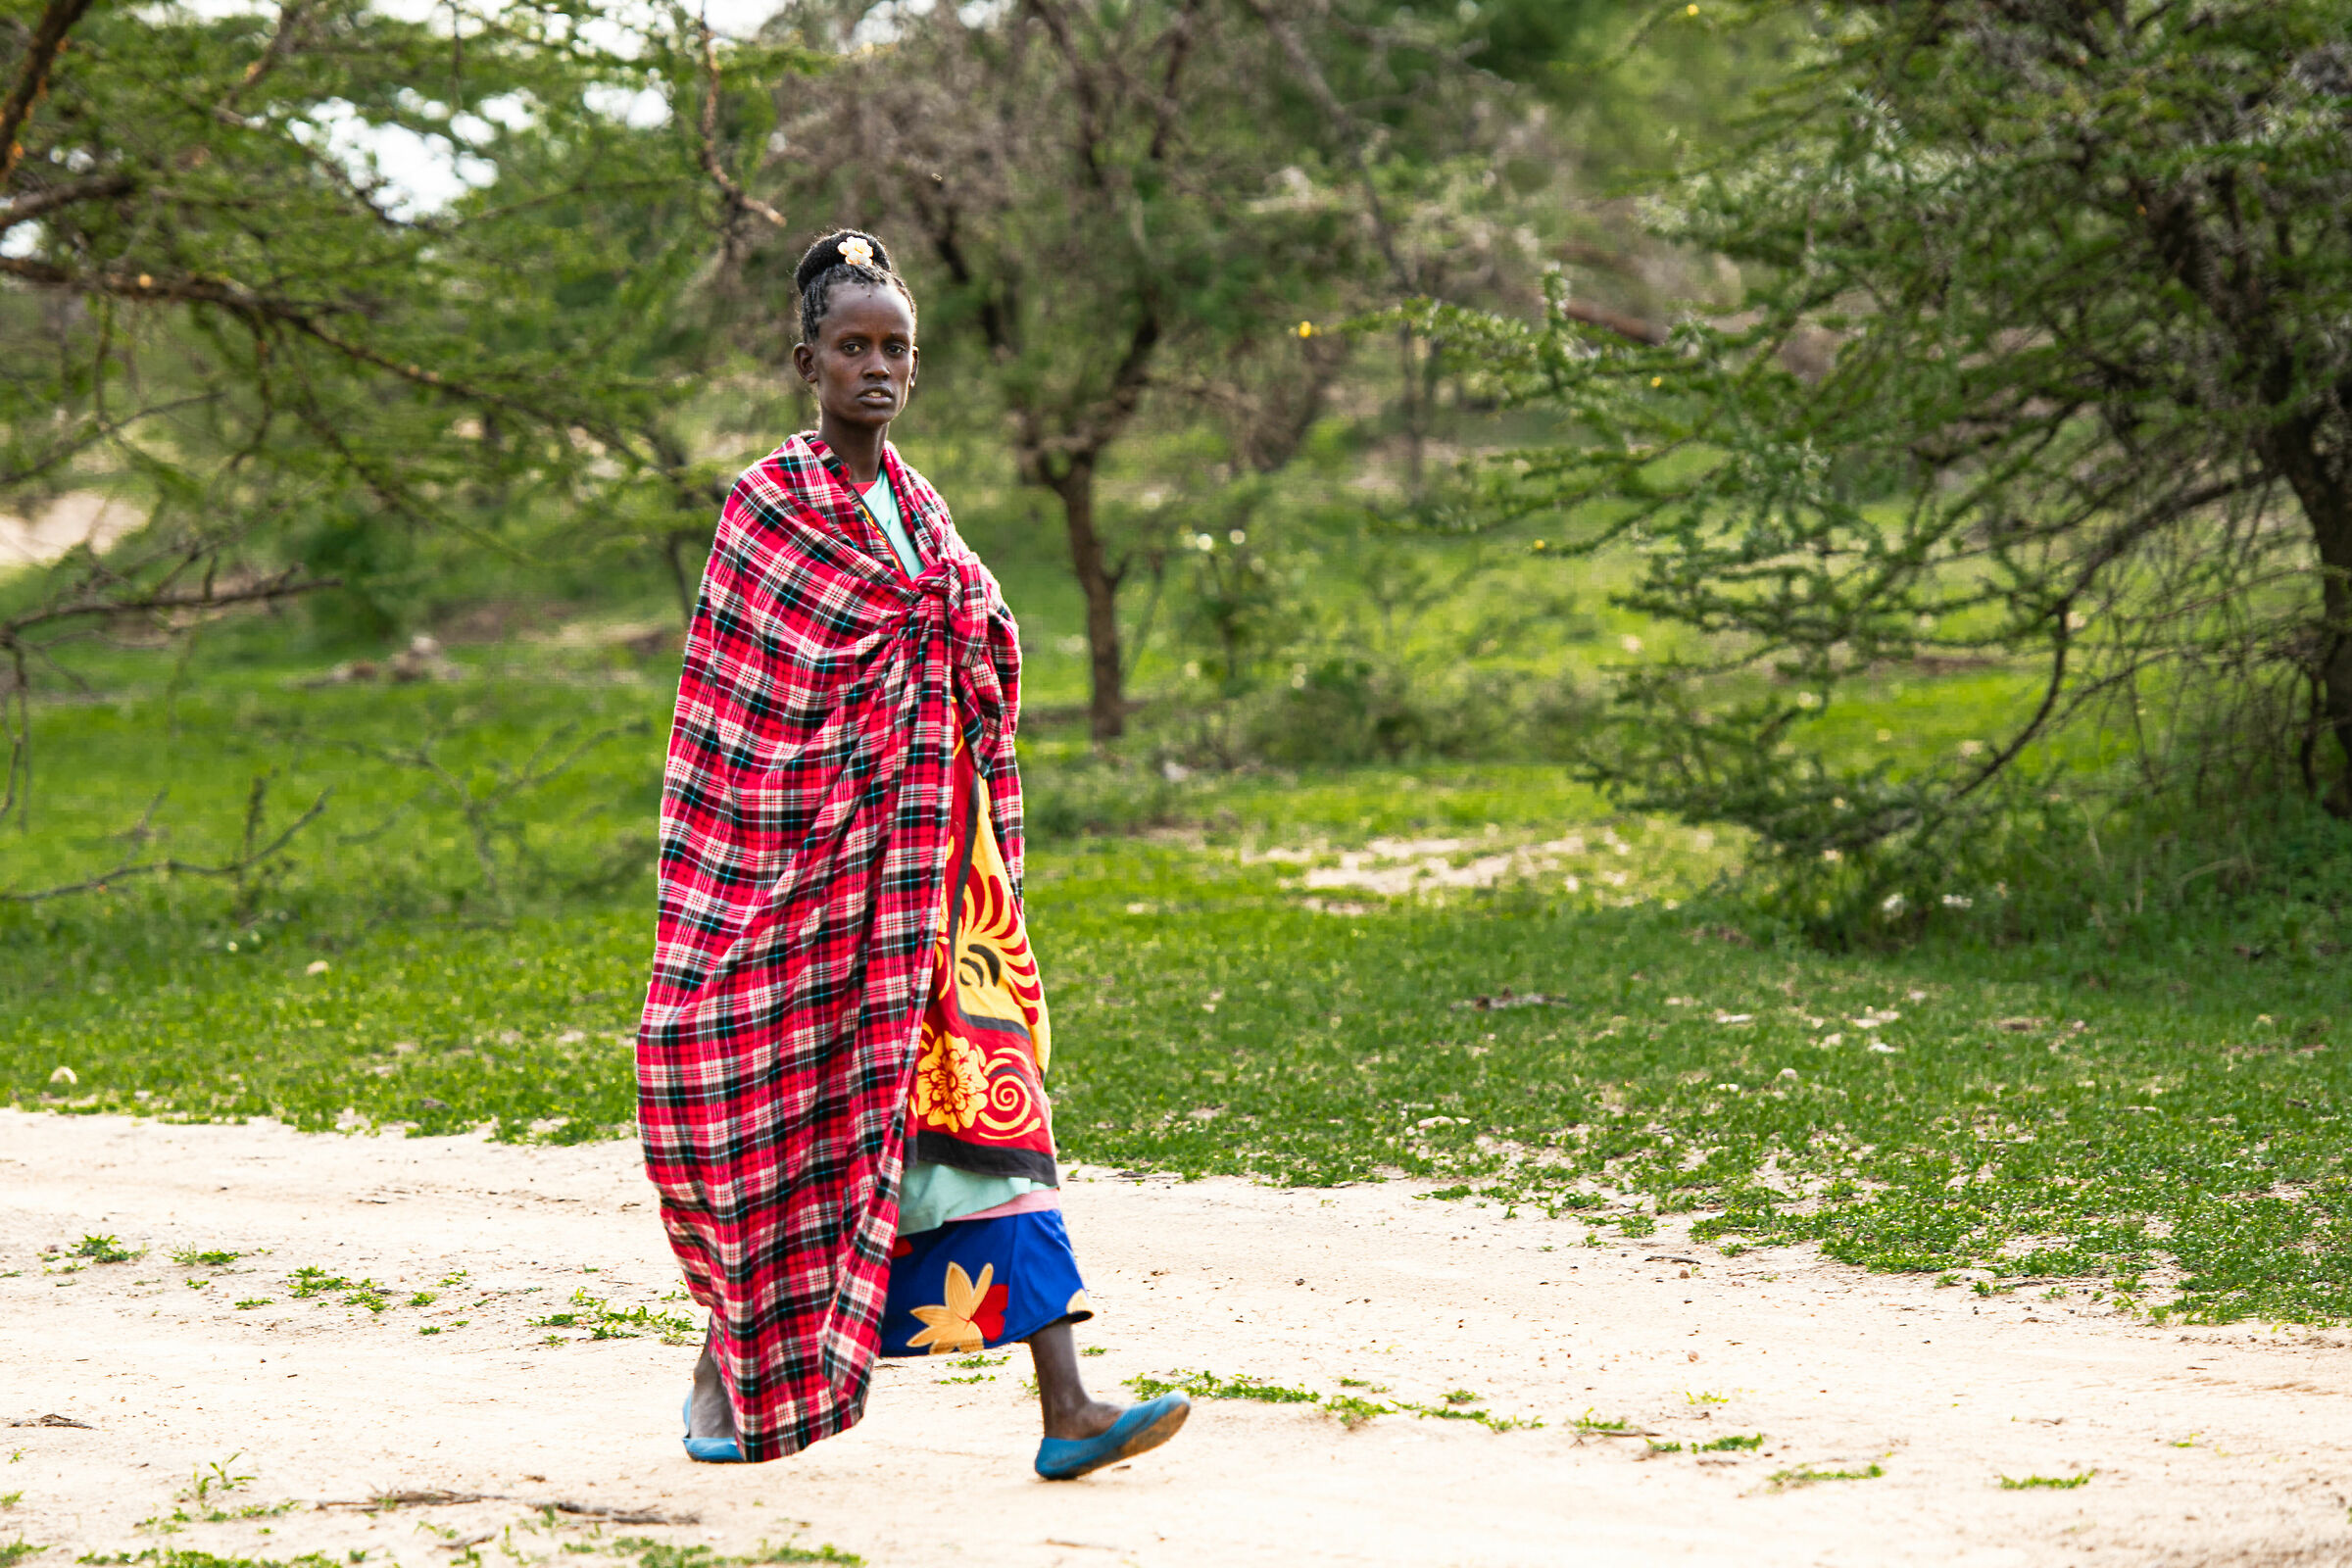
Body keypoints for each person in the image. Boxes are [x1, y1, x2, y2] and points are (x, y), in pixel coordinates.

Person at [635, 229, 1188, 1479]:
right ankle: (726, 1365)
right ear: (807, 364)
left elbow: (974, 639)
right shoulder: (767, 509)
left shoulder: (925, 509)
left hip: (939, 886)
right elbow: (745, 717)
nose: (876, 367)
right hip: (810, 885)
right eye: (853, 347)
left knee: (992, 1109)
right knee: (800, 1119)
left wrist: (958, 640)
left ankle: (1068, 1404)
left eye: (896, 348)